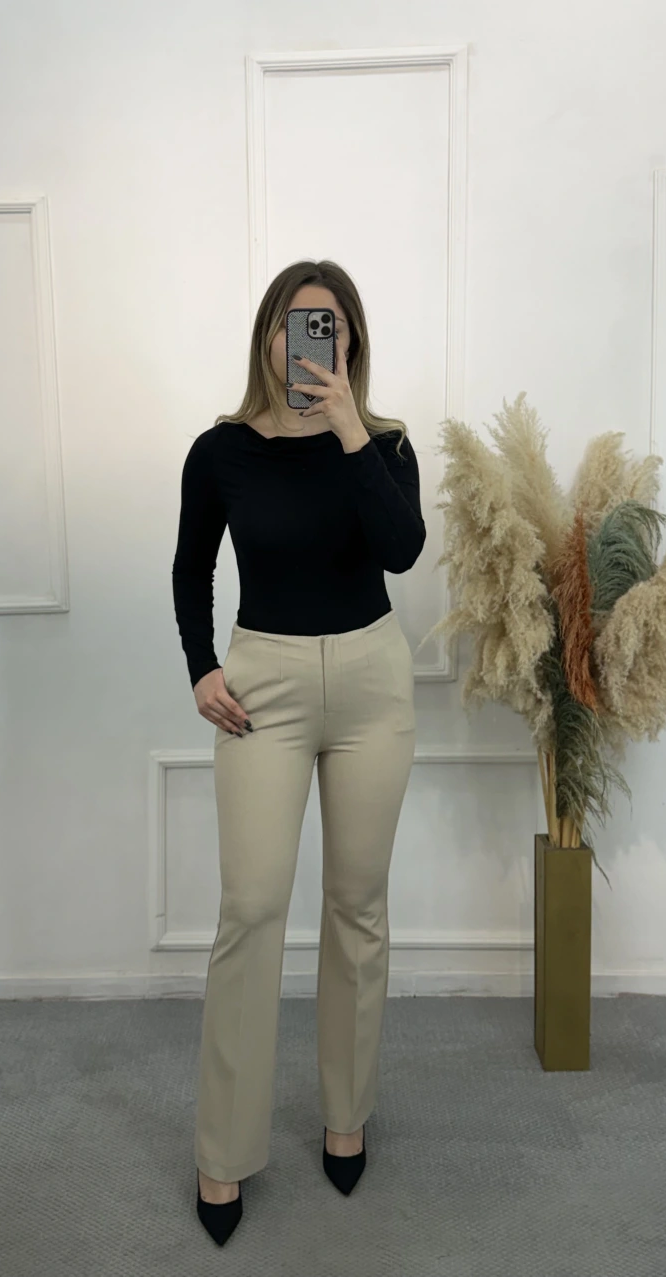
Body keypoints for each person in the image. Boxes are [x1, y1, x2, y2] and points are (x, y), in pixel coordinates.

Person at [171, 259, 425, 1245]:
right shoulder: (220, 450)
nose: (309, 339)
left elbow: (401, 549)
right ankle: (222, 1151)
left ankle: (346, 1115)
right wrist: (201, 667)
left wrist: (351, 428)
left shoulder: (385, 445)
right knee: (250, 907)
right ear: (267, 338)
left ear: (350, 342)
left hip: (370, 683)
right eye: (293, 322)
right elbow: (192, 565)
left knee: (357, 904)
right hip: (263, 687)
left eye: (328, 324)